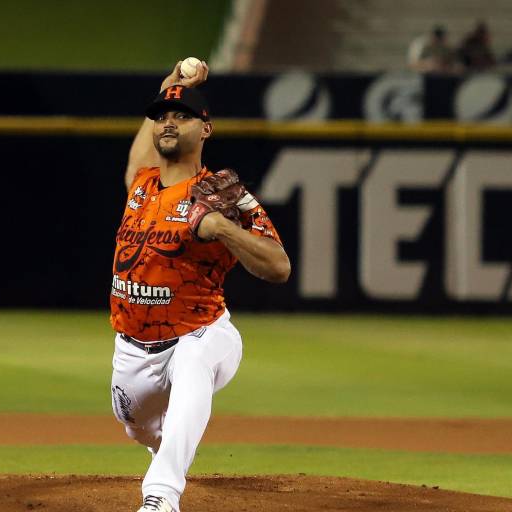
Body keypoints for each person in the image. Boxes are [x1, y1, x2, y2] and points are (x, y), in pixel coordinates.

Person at [109, 60, 290, 512]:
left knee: (192, 363)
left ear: (205, 128)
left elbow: (279, 266)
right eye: (163, 116)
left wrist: (223, 229)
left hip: (203, 331)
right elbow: (137, 156)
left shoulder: (223, 196)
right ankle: (165, 448)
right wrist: (169, 88)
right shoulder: (142, 185)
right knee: (135, 425)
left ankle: (161, 497)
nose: (169, 122)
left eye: (183, 115)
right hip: (132, 346)